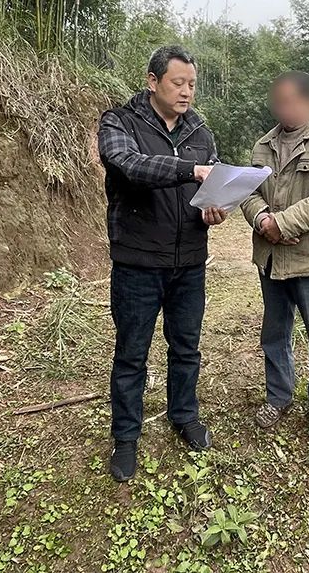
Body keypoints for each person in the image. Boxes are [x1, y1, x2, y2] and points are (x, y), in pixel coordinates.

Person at [97, 45, 226, 482]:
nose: (187, 92)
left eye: (192, 84)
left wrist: (214, 208)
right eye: (178, 83)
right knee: (132, 353)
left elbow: (210, 186)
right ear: (153, 82)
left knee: (186, 347)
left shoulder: (200, 131)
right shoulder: (120, 122)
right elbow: (129, 166)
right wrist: (192, 171)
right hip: (137, 261)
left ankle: (184, 415)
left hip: (189, 261)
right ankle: (126, 437)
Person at [239, 71, 309, 451]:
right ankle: (278, 396)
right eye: (279, 101)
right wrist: (262, 220)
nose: (284, 108)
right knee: (274, 334)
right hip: (272, 258)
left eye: (291, 101)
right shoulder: (263, 146)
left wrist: (282, 223)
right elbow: (249, 192)